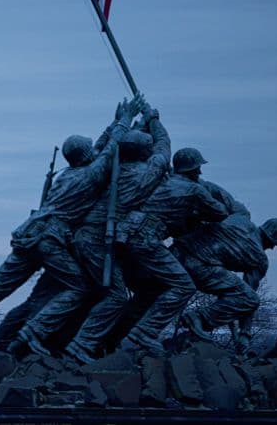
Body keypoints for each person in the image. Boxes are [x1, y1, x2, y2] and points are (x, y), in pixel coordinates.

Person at [0, 96, 142, 356]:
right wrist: (125, 119)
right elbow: (108, 152)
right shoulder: (90, 176)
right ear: (86, 156)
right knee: (78, 288)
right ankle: (34, 334)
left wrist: (114, 123)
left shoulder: (68, 175)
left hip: (28, 233)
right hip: (50, 240)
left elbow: (99, 150)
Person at [62, 102, 175, 362]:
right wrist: (154, 120)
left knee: (102, 292)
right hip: (94, 240)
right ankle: (81, 345)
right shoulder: (146, 174)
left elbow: (101, 150)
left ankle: (95, 342)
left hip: (84, 238)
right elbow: (163, 149)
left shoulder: (108, 169)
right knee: (115, 296)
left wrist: (125, 122)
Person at [97, 145, 231, 355]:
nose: (200, 173)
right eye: (198, 169)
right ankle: (145, 332)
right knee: (184, 286)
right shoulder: (194, 189)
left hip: (127, 237)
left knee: (150, 290)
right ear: (192, 170)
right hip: (146, 240)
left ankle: (112, 337)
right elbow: (220, 212)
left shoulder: (162, 180)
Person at [176, 216, 277, 352]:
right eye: (274, 244)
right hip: (200, 267)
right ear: (271, 240)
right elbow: (248, 298)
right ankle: (198, 319)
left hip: (178, 253)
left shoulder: (241, 220)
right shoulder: (259, 258)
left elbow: (230, 296)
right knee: (250, 299)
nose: (272, 248)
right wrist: (245, 334)